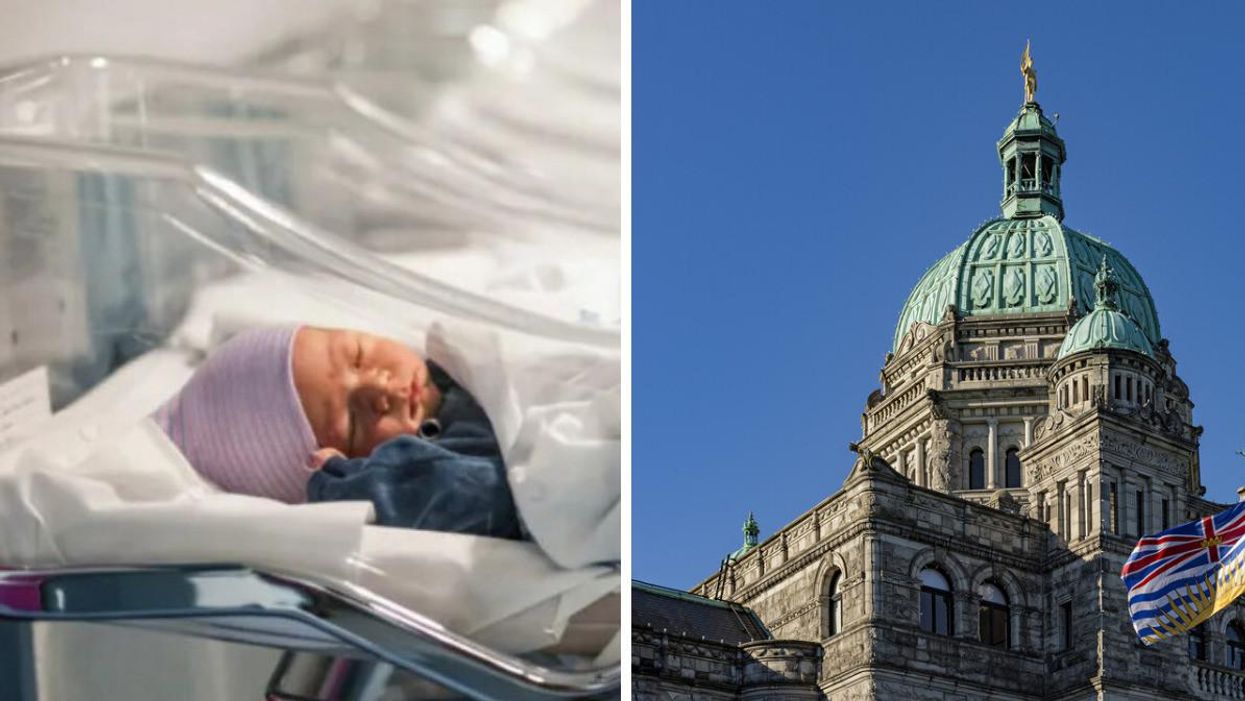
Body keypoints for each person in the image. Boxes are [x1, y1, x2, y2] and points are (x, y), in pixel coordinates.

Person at [152, 325, 522, 539]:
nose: (379, 388)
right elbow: (482, 492)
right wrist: (349, 488)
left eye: (359, 355)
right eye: (353, 423)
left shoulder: (456, 368)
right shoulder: (455, 460)